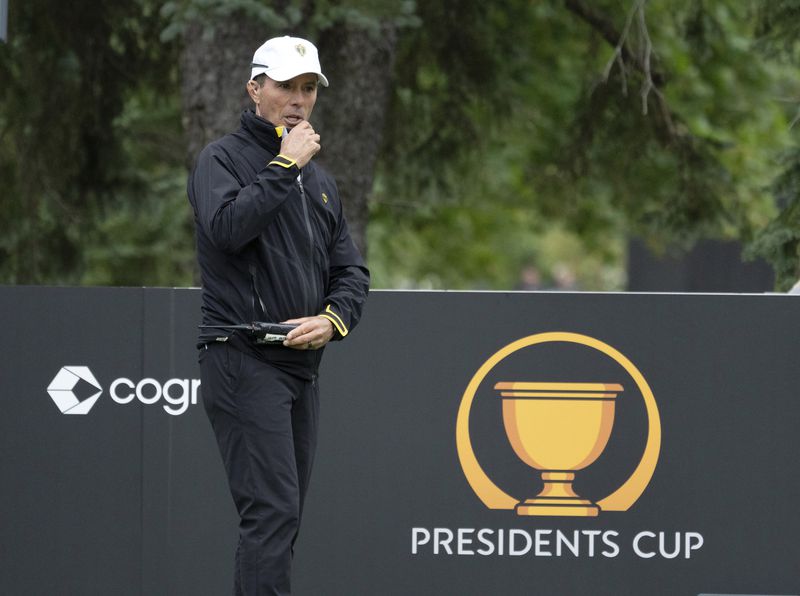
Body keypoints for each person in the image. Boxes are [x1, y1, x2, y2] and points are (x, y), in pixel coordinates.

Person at [187, 35, 369, 596]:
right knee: (271, 515)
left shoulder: (319, 180)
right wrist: (285, 164)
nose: (298, 99)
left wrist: (333, 320)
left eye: (308, 88)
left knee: (280, 521)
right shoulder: (221, 159)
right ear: (254, 88)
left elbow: (352, 273)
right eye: (286, 86)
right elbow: (227, 229)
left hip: (299, 370)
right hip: (241, 356)